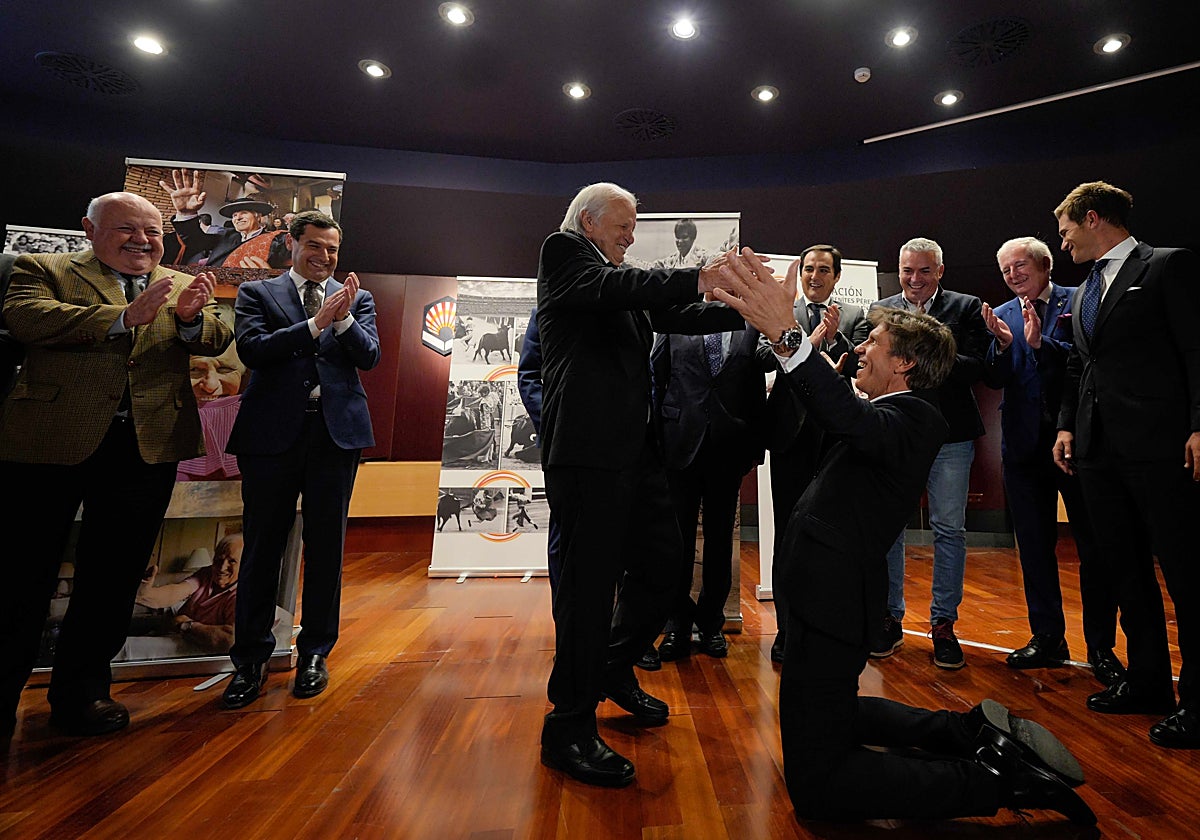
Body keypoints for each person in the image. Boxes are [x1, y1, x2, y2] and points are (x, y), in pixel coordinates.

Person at [712, 248, 1095, 826]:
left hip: (832, 605)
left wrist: (789, 335)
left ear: (907, 365)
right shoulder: (885, 406)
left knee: (818, 786)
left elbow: (849, 419)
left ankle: (997, 780)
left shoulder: (918, 418)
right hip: (824, 604)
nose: (861, 348)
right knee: (836, 717)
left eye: (874, 344)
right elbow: (818, 414)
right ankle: (966, 729)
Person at [0, 191, 231, 739]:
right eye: (127, 229)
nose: (142, 241)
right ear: (89, 228)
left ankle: (83, 695)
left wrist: (193, 322)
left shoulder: (178, 282)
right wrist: (124, 316)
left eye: (152, 232)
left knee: (113, 578)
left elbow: (219, 335)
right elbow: (27, 319)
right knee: (18, 575)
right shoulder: (43, 267)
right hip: (47, 445)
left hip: (144, 450)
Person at [536, 182, 743, 788]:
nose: (631, 236)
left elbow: (676, 313)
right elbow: (619, 289)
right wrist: (696, 276)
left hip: (635, 453)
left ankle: (612, 663)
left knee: (663, 563)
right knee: (589, 588)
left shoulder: (617, 276)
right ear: (589, 222)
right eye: (624, 226)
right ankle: (568, 725)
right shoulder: (564, 253)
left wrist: (745, 306)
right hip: (587, 455)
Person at [1052, 181, 1200, 749]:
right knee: (1125, 571)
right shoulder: (1084, 288)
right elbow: (1078, 365)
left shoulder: (1166, 267)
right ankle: (1147, 684)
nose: (1063, 245)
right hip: (1097, 450)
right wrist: (1067, 425)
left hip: (1160, 446)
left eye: (1066, 232)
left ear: (1093, 219)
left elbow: (1196, 349)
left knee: (1185, 575)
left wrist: (1197, 423)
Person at [219, 210, 380, 710]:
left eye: (332, 250)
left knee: (327, 548)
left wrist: (345, 316)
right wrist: (316, 324)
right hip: (272, 437)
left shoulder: (359, 297)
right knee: (262, 546)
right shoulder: (258, 294)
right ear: (292, 243)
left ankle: (314, 652)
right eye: (315, 246)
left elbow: (369, 356)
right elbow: (253, 351)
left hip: (336, 437)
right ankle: (249, 660)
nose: (324, 257)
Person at [981, 237, 1121, 683]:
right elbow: (995, 377)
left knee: (1093, 547)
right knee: (1034, 548)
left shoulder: (1078, 301)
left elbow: (1084, 363)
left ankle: (1100, 647)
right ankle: (1047, 638)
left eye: (1020, 266)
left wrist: (1042, 345)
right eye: (1005, 270)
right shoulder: (1000, 316)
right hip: (1022, 449)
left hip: (1076, 444)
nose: (1013, 275)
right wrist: (1003, 346)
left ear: (1044, 264)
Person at [871, 237, 989, 669]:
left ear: (940, 271)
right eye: (907, 271)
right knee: (888, 528)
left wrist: (925, 353)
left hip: (951, 436)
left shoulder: (966, 307)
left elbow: (979, 367)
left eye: (924, 271)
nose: (915, 279)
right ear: (898, 270)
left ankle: (943, 625)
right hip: (896, 433)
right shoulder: (881, 311)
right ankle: (889, 617)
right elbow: (873, 366)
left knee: (949, 530)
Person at [767, 244, 870, 663]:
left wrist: (834, 340)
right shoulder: (779, 313)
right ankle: (785, 629)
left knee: (826, 536)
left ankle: (821, 627)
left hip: (833, 441)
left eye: (823, 270)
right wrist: (808, 342)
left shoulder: (853, 318)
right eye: (808, 269)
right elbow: (761, 356)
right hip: (789, 438)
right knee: (786, 538)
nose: (814, 276)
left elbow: (858, 366)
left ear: (837, 276)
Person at [648, 320, 768, 663]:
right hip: (679, 444)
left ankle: (712, 625)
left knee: (720, 543)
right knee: (677, 543)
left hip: (728, 449)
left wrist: (755, 448)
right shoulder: (676, 323)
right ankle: (677, 626)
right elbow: (657, 379)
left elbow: (755, 391)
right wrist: (656, 442)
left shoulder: (748, 327)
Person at [516, 307, 563, 597]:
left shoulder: (626, 306)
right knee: (563, 531)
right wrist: (553, 423)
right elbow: (529, 375)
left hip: (620, 446)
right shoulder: (545, 312)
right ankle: (568, 622)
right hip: (561, 444)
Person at [135, 533, 243, 653]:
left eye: (232, 561)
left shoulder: (244, 595)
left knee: (127, 647)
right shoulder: (207, 573)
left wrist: (186, 625)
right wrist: (144, 594)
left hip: (197, 645)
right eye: (219, 559)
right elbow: (176, 591)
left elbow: (231, 640)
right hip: (174, 630)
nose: (222, 567)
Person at [160, 169, 290, 269]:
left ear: (258, 216)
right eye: (234, 215)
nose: (237, 218)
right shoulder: (225, 236)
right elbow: (195, 241)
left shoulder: (277, 241)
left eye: (243, 213)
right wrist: (186, 213)